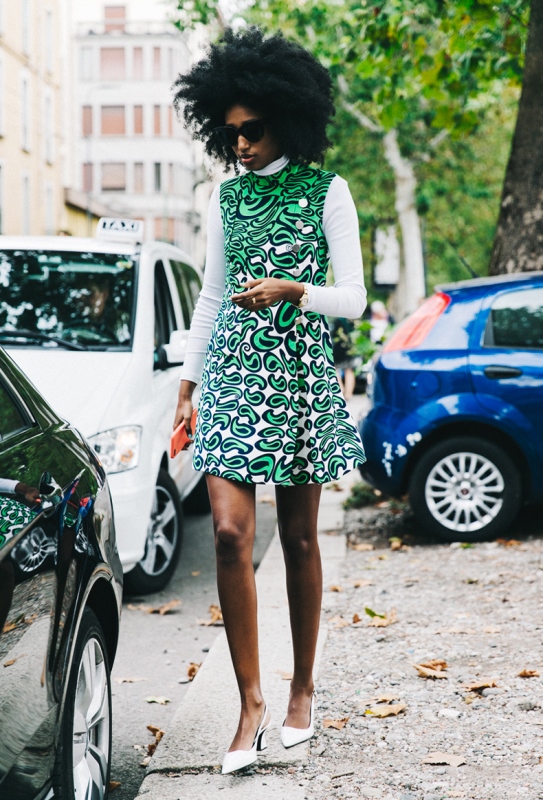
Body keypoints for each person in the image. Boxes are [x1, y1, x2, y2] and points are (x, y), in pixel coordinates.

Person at [172, 28, 366, 775]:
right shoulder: (225, 196)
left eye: (251, 130)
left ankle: (303, 688)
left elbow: (351, 299)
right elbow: (212, 297)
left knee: (300, 540)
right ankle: (249, 701)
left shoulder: (328, 191)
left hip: (296, 377)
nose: (240, 144)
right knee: (227, 533)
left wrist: (295, 290)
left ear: (286, 117)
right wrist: (187, 387)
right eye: (229, 133)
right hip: (230, 376)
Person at [330, 317, 357, 400]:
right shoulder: (353, 320)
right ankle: (348, 393)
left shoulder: (338, 320)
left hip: (339, 348)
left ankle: (340, 390)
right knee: (349, 370)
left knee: (335, 369)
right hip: (350, 348)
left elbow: (334, 334)